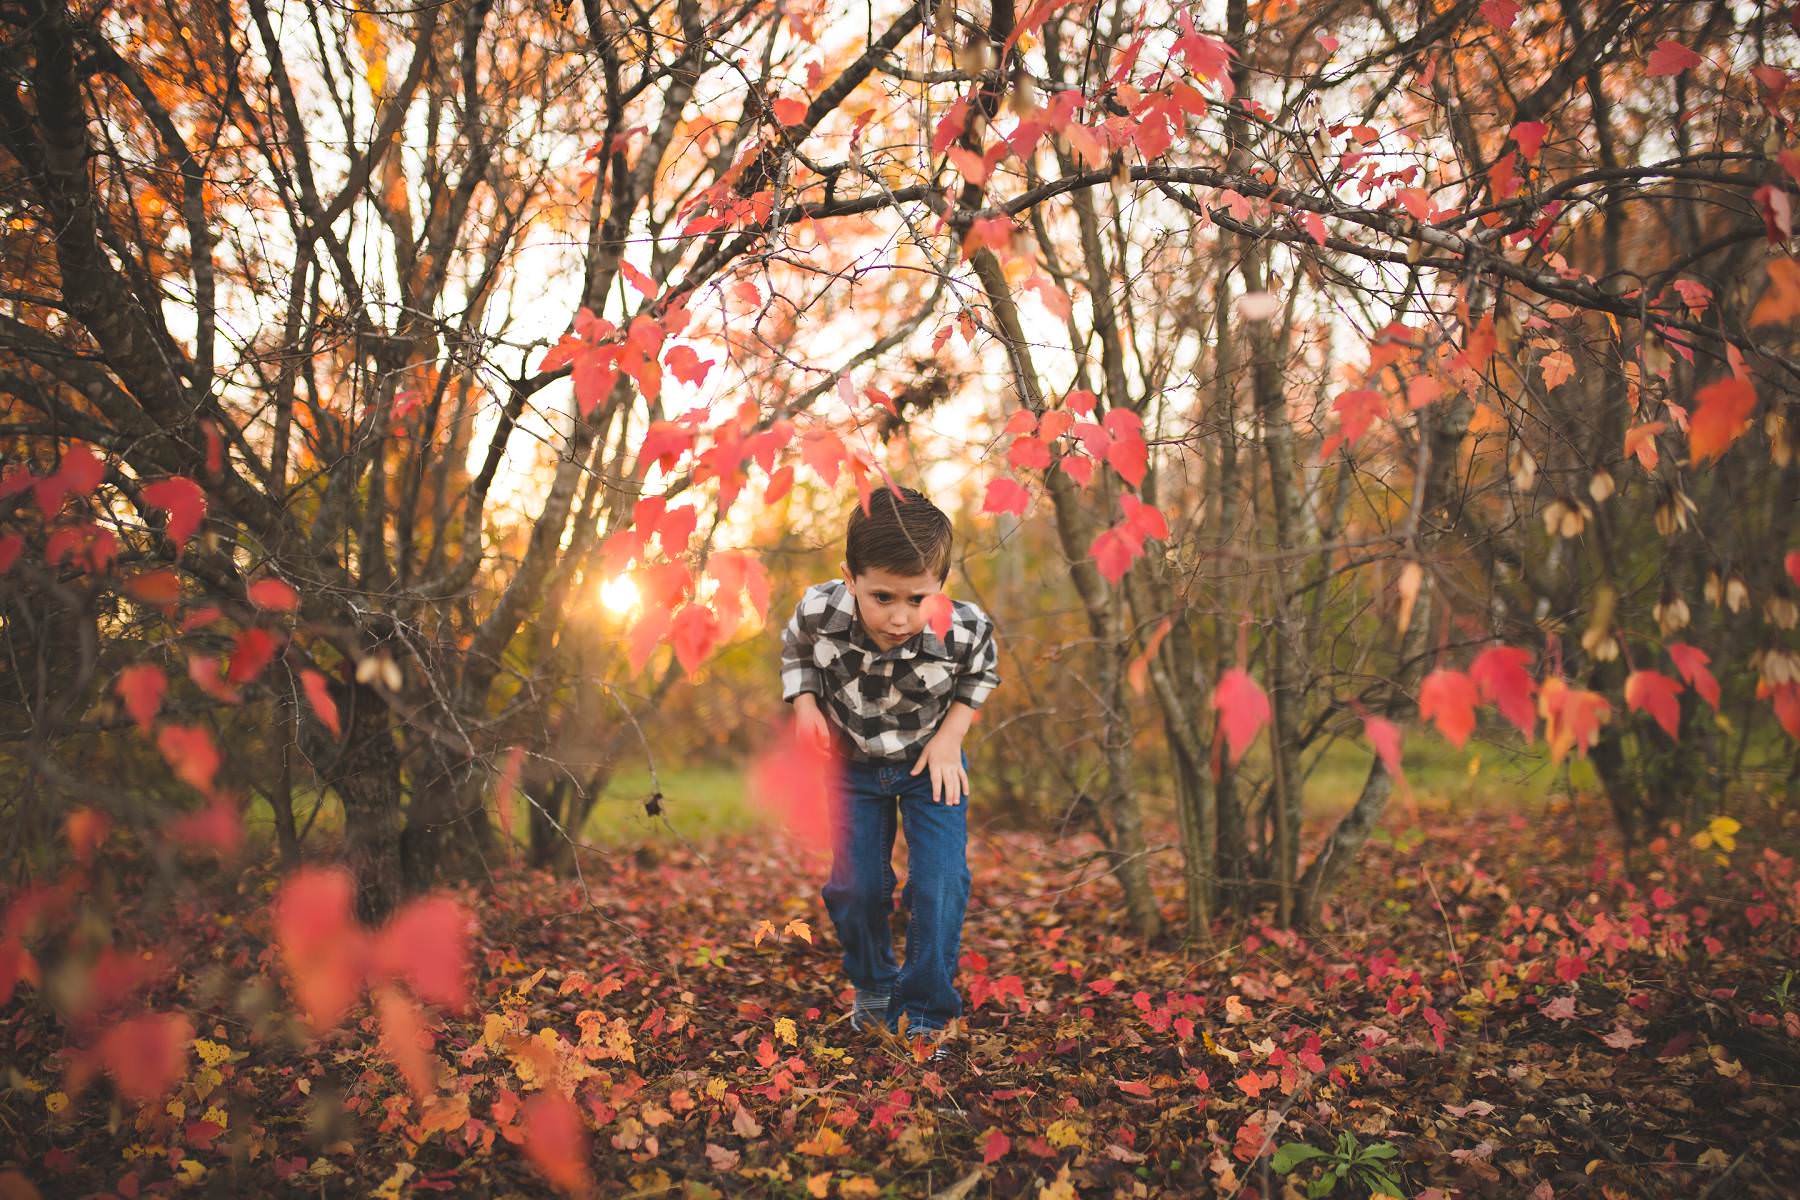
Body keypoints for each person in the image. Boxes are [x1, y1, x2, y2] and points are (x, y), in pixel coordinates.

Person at [779, 486, 1000, 1058]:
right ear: (849, 576)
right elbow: (797, 650)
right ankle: (875, 983)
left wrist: (952, 737)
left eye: (917, 598)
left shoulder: (966, 629)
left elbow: (981, 676)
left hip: (933, 765)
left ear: (941, 586)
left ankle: (925, 1011)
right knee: (855, 886)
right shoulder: (818, 611)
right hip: (850, 763)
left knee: (938, 882)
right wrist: (804, 704)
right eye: (881, 597)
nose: (900, 617)